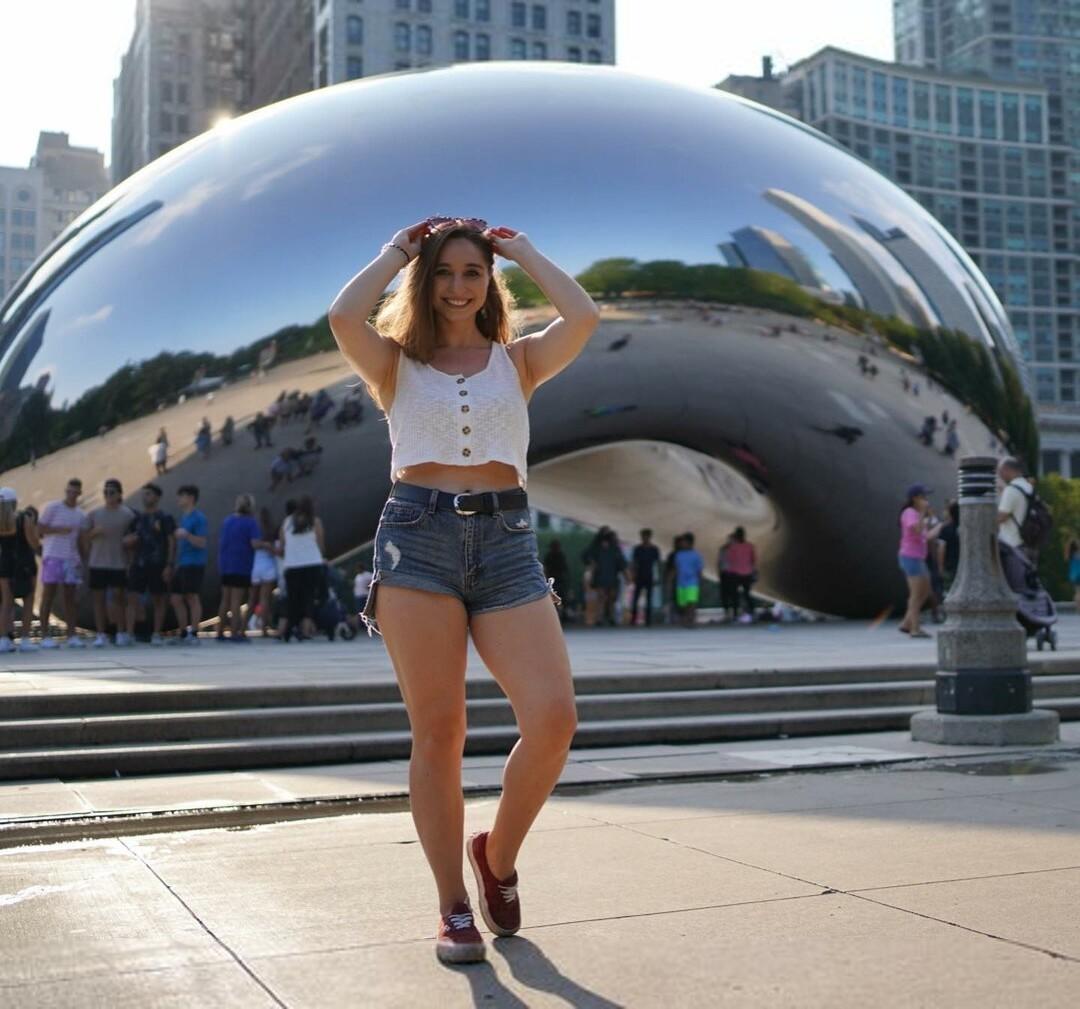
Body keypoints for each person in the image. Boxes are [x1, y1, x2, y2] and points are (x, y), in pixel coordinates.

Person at [328, 216, 597, 963]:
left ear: (489, 282)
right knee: (440, 732)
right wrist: (396, 250)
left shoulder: (520, 361)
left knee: (554, 719)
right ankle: (452, 906)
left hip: (507, 543)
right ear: (425, 281)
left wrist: (523, 250)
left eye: (472, 272)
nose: (457, 286)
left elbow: (583, 317)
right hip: (417, 539)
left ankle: (496, 857)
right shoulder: (395, 364)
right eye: (443, 272)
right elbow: (343, 316)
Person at [38, 477, 89, 648]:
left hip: (71, 558)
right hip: (53, 556)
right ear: (66, 491)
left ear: (79, 493)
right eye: (69, 491)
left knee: (70, 597)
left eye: (75, 492)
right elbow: (40, 529)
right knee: (49, 594)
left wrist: (84, 559)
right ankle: (44, 635)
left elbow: (81, 539)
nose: (72, 494)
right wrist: (58, 530)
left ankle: (71, 635)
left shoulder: (80, 514)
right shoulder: (52, 507)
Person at [85, 478, 137, 647]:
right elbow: (83, 537)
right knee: (98, 600)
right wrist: (93, 533)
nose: (108, 495)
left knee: (119, 598)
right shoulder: (94, 514)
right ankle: (101, 634)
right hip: (97, 562)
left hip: (118, 563)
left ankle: (121, 632)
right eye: (106, 492)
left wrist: (131, 546)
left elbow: (136, 535)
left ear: (119, 494)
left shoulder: (128, 515)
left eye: (112, 492)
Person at [125, 483, 176, 646]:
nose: (145, 497)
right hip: (139, 564)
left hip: (158, 563)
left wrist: (169, 565)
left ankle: (156, 634)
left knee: (159, 599)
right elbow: (130, 540)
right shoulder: (137, 519)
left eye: (149, 494)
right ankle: (129, 634)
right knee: (132, 597)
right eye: (144, 494)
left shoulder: (165, 518)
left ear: (157, 497)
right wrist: (130, 561)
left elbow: (171, 541)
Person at [277, 494, 326, 642]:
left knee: (292, 598)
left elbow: (282, 544)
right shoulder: (315, 522)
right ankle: (305, 630)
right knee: (308, 597)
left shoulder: (287, 522)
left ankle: (286, 630)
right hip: (312, 564)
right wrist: (321, 556)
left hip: (292, 565)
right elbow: (320, 543)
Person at [898, 483, 943, 638]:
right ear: (915, 498)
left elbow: (925, 537)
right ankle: (915, 629)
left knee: (925, 591)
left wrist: (940, 526)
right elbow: (917, 530)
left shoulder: (916, 514)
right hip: (910, 557)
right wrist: (923, 512)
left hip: (917, 557)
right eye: (923, 497)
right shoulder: (909, 513)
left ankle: (907, 623)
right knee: (916, 594)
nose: (926, 500)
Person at [217, 494, 262, 642]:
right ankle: (234, 632)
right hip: (241, 565)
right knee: (236, 600)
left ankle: (219, 631)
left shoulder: (228, 521)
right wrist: (266, 545)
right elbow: (255, 543)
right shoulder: (251, 523)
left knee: (225, 600)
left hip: (226, 564)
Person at [170, 484, 209, 644]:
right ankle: (183, 632)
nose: (179, 499)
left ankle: (194, 632)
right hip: (183, 563)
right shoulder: (184, 517)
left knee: (192, 596)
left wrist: (187, 535)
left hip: (194, 563)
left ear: (191, 498)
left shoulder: (199, 518)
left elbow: (202, 542)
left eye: (182, 496)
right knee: (176, 598)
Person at [582, 528, 625, 626]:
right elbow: (585, 556)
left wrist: (625, 573)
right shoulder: (595, 547)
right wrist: (592, 563)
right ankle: (600, 617)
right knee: (601, 597)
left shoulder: (614, 548)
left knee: (611, 597)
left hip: (611, 575)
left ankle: (609, 616)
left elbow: (621, 562)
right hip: (601, 575)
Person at [11, 504, 41, 649]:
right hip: (25, 564)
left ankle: (5, 637)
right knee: (28, 600)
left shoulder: (6, 520)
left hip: (6, 563)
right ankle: (24, 638)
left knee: (6, 603)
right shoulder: (25, 520)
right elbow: (34, 543)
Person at [248, 506, 279, 636]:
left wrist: (261, 545)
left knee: (252, 599)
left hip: (256, 567)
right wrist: (268, 547)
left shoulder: (256, 531)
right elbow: (275, 552)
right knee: (265, 599)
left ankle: (242, 626)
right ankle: (264, 628)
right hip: (269, 567)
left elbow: (253, 544)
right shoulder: (272, 533)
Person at [997, 457, 1034, 555]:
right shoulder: (1028, 487)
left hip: (1012, 545)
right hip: (1028, 543)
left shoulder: (1011, 489)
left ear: (1007, 470)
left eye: (1000, 472)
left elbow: (1001, 517)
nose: (1000, 476)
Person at [0, 488, 20, 653]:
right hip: (7, 564)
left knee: (4, 602)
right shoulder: (15, 520)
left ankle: (6, 635)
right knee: (7, 602)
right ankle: (4, 637)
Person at [724, 527, 757, 624]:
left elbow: (729, 560)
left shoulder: (733, 547)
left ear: (736, 536)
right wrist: (751, 569)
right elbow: (753, 560)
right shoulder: (749, 546)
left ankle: (735, 616)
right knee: (747, 594)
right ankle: (752, 614)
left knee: (735, 595)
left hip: (735, 574)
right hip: (747, 573)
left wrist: (729, 572)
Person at [673, 532, 704, 628]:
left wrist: (700, 582)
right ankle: (685, 619)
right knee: (683, 604)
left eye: (684, 542)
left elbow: (699, 570)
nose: (682, 544)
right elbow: (676, 569)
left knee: (692, 602)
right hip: (681, 582)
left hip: (692, 582)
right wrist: (672, 580)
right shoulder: (679, 555)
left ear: (690, 543)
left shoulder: (696, 555)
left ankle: (692, 620)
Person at [629, 528, 660, 626]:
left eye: (646, 536)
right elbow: (634, 563)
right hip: (639, 575)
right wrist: (633, 575)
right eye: (643, 536)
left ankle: (648, 619)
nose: (644, 538)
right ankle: (633, 618)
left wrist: (656, 577)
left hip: (649, 575)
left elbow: (656, 564)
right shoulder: (637, 549)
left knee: (649, 598)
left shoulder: (654, 549)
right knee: (636, 597)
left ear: (650, 537)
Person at [541, 540, 569, 623]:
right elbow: (565, 569)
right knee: (562, 599)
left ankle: (556, 615)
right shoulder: (560, 556)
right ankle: (562, 615)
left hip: (553, 581)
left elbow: (546, 569)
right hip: (560, 580)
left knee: (553, 599)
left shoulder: (550, 556)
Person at [1067, 537, 1080, 613]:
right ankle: (1078, 607)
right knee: (1078, 592)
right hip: (1079, 574)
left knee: (1077, 592)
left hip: (1073, 576)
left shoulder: (1071, 554)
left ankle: (1078, 608)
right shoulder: (1077, 554)